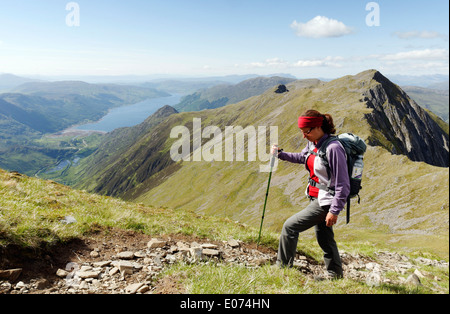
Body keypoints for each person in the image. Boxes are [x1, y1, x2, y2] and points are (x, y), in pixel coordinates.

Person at [272, 109, 350, 279]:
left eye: (306, 132)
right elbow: (303, 158)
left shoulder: (334, 148)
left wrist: (334, 210)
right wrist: (281, 155)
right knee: (324, 237)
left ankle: (282, 270)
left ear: (318, 127)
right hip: (316, 197)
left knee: (290, 227)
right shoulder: (313, 143)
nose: (303, 136)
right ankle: (335, 275)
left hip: (326, 202)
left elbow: (343, 184)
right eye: (301, 132)